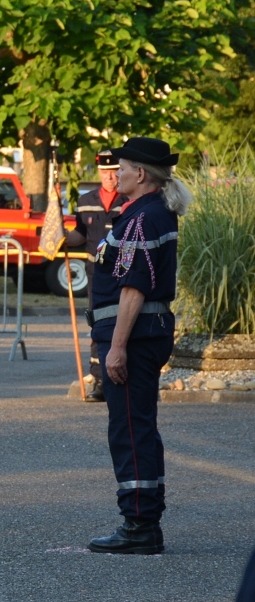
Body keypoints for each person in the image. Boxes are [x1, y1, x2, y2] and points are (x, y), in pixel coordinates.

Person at [85, 137, 188, 556]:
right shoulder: (147, 213)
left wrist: (117, 347)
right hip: (145, 333)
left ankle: (140, 524)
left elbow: (133, 289)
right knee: (137, 423)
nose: (117, 173)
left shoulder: (143, 218)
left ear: (141, 174)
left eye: (122, 167)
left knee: (129, 428)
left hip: (135, 336)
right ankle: (142, 518)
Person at [64, 149, 127, 402]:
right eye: (104, 172)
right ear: (98, 172)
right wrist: (62, 238)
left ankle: (123, 375)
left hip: (123, 273)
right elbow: (81, 234)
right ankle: (99, 379)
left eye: (114, 172)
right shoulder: (86, 200)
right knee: (98, 324)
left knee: (123, 323)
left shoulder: (128, 199)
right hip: (96, 275)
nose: (109, 177)